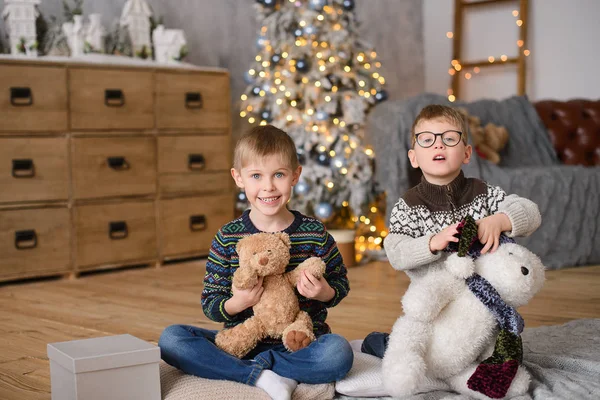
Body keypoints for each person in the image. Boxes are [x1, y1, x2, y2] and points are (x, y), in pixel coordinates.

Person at [159, 125, 353, 400]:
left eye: (279, 175)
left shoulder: (315, 233)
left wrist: (325, 293)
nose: (268, 186)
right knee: (171, 339)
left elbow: (340, 283)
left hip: (300, 342)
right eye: (256, 176)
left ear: (295, 175)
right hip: (242, 341)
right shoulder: (227, 237)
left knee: (338, 353)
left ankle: (249, 372)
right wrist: (239, 302)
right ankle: (262, 375)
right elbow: (211, 304)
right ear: (238, 178)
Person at [360, 104, 541, 358]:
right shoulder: (409, 206)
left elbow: (531, 213)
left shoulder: (483, 194)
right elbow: (396, 252)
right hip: (438, 307)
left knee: (499, 356)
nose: (438, 145)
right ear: (413, 157)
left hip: (483, 306)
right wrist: (433, 242)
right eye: (427, 140)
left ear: (466, 153)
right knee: (427, 354)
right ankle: (383, 343)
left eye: (449, 138)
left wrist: (501, 219)